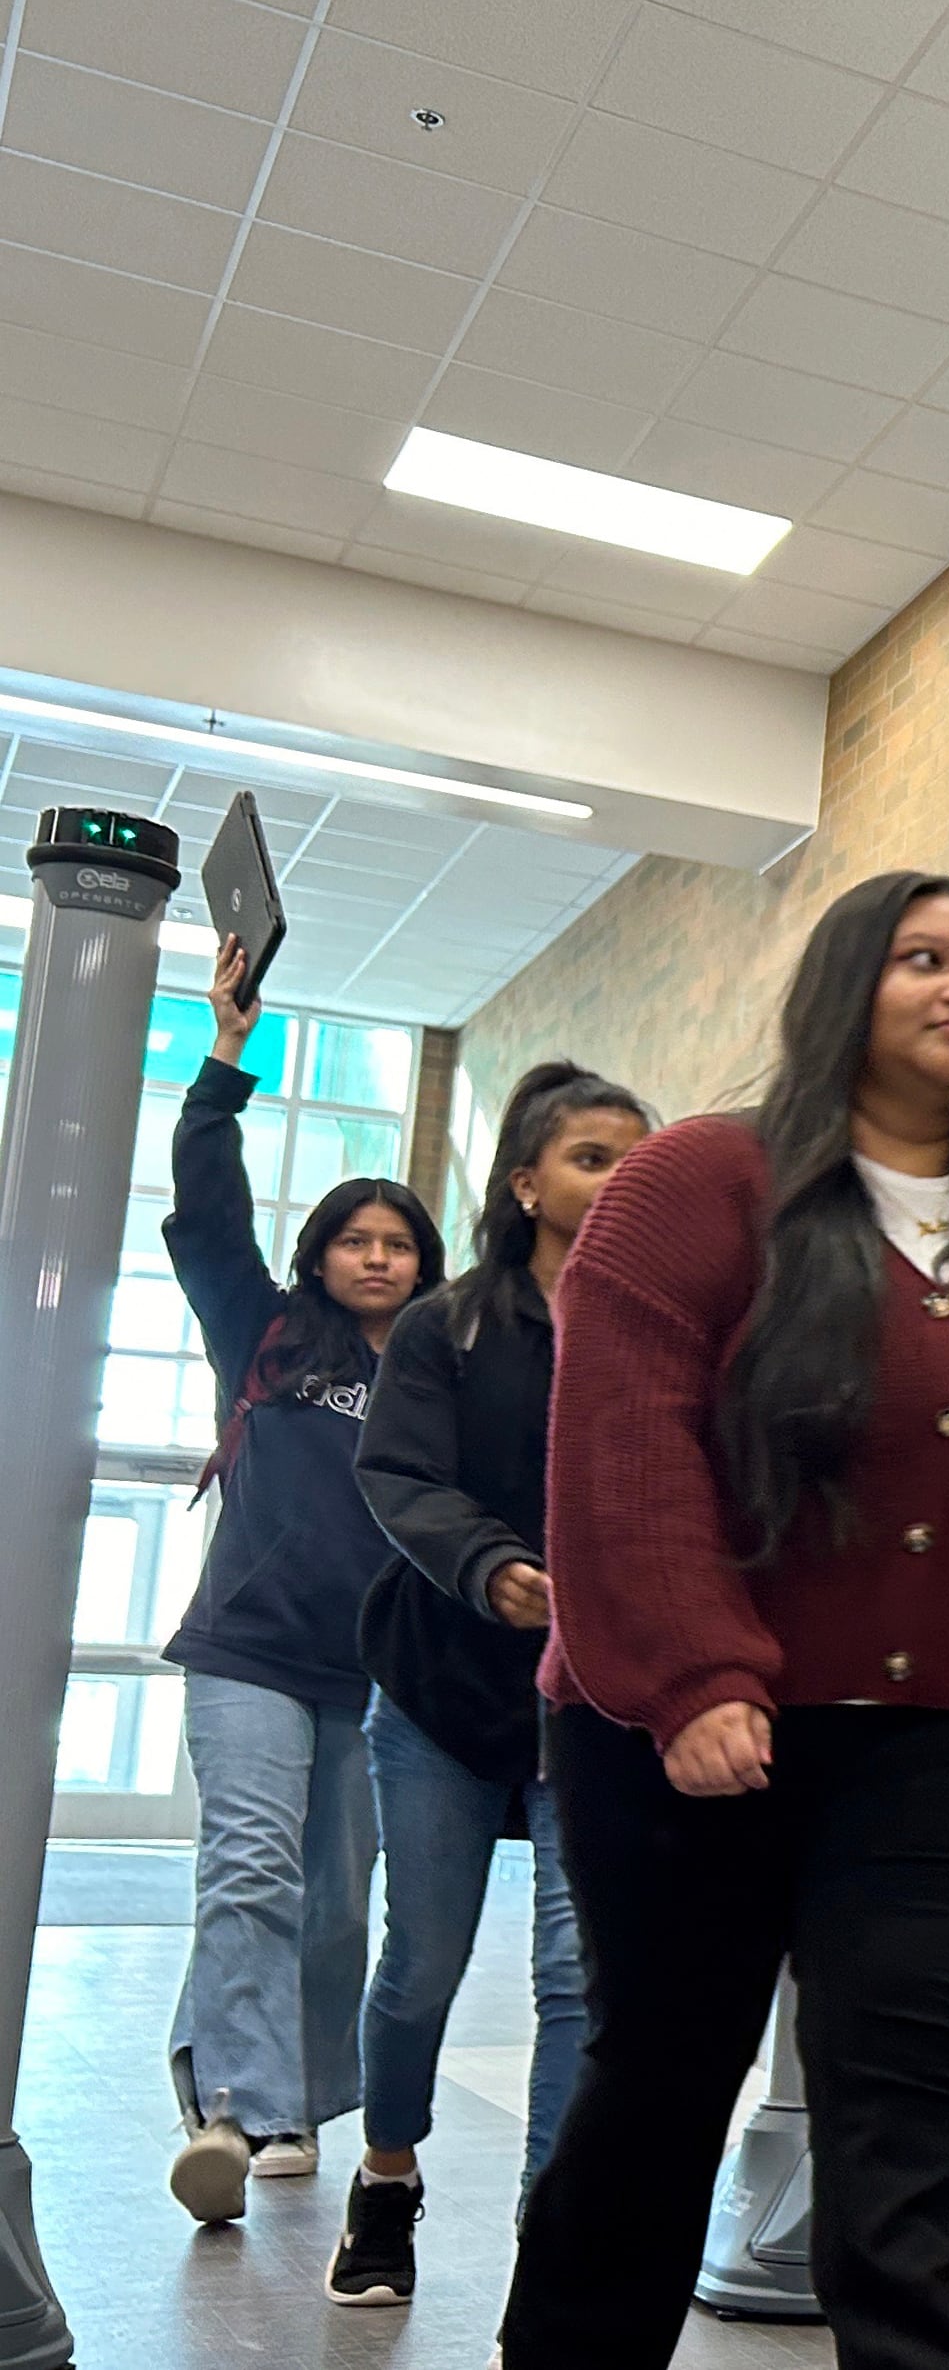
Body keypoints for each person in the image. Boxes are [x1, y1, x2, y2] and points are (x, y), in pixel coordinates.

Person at [495, 873, 949, 2370]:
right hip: (680, 1739)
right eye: (924, 957)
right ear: (843, 985)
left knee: (916, 2122)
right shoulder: (698, 1179)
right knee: (659, 2083)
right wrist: (696, 1671)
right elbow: (625, 1445)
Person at [333, 1062, 652, 2304]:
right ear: (526, 1184)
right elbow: (399, 1475)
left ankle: (548, 2238)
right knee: (420, 1963)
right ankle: (388, 2175)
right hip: (442, 1693)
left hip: (595, 1699)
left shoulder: (668, 1328)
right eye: (590, 1158)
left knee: (579, 1975)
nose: (619, 1179)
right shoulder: (446, 1325)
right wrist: (492, 1569)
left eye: (637, 1157)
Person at [160, 936, 443, 2225]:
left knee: (339, 1910)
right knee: (249, 1870)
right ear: (322, 1254)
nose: (378, 1258)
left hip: (379, 1675)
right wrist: (228, 1056)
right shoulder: (265, 1339)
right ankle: (238, 2108)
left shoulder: (446, 1377)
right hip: (247, 1650)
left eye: (400, 1244)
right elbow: (206, 1209)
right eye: (355, 1240)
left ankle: (298, 2093)